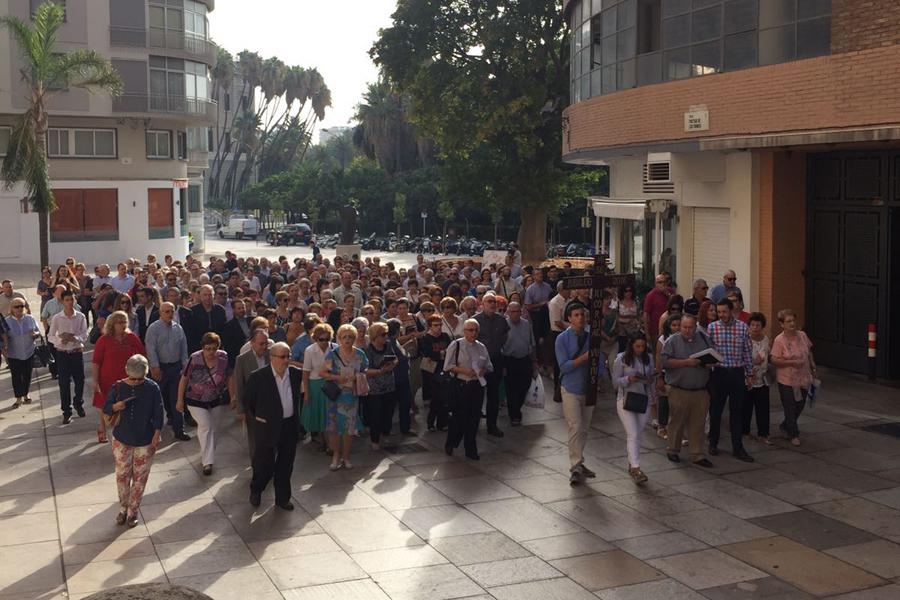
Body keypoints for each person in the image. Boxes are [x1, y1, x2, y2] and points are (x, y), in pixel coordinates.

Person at [103, 354, 163, 528]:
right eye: (132, 378)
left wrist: (157, 433)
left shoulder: (152, 388)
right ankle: (123, 507)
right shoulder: (118, 386)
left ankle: (133, 512)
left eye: (140, 379)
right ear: (127, 372)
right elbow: (106, 407)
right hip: (122, 439)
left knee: (140, 478)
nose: (136, 382)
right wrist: (116, 406)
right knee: (122, 476)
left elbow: (159, 412)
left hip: (145, 439)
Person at [244, 342, 302, 510]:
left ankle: (282, 498)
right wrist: (260, 418)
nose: (286, 360)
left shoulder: (295, 374)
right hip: (267, 426)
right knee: (264, 464)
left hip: (289, 425)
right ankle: (256, 489)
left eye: (288, 356)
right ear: (272, 358)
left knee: (286, 464)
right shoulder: (258, 377)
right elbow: (249, 401)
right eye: (282, 357)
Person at [177, 332, 234, 475]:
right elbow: (184, 379)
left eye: (214, 348)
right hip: (195, 399)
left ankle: (207, 454)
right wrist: (179, 400)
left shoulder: (223, 357)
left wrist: (233, 396)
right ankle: (207, 462)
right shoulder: (195, 359)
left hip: (214, 399)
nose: (211, 352)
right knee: (205, 426)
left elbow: (229, 377)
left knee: (214, 429)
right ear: (203, 347)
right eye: (208, 348)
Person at [661, 314, 713, 467]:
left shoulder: (703, 339)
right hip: (679, 389)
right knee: (677, 421)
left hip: (700, 389)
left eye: (691, 327)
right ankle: (673, 450)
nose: (688, 330)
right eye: (685, 327)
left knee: (698, 423)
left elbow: (712, 355)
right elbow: (665, 361)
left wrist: (708, 363)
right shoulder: (672, 341)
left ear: (695, 327)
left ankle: (697, 454)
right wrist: (686, 362)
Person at [555, 303, 599, 486]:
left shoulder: (592, 338)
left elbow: (600, 361)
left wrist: (598, 377)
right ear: (569, 318)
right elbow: (564, 366)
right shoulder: (562, 339)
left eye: (582, 314)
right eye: (576, 315)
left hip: (588, 388)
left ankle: (579, 460)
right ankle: (575, 466)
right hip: (570, 388)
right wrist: (583, 358)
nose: (580, 318)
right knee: (575, 425)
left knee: (585, 428)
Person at [707, 299, 754, 462]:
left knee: (737, 411)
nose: (721, 315)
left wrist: (749, 374)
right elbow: (709, 351)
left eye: (724, 312)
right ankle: (713, 442)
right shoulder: (712, 327)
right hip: (719, 373)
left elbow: (747, 352)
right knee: (716, 410)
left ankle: (737, 447)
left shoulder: (742, 327)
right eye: (718, 312)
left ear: (731, 310)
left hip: (736, 372)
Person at [320, 324, 368, 470]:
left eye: (350, 337)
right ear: (339, 338)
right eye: (344, 336)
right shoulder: (333, 354)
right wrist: (337, 377)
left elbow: (365, 370)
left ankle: (346, 457)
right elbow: (322, 373)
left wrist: (358, 376)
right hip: (335, 396)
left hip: (351, 396)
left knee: (349, 429)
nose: (348, 339)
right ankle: (335, 456)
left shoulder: (360, 354)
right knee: (334, 429)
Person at [443, 319, 492, 461]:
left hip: (477, 385)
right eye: (470, 330)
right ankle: (451, 441)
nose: (473, 333)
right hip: (461, 384)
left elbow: (489, 365)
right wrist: (464, 370)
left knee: (474, 417)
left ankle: (470, 448)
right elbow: (447, 366)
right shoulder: (456, 344)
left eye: (476, 330)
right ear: (464, 331)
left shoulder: (481, 346)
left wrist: (483, 370)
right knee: (459, 416)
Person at [93, 311, 146, 442]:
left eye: (125, 322)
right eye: (120, 322)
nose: (123, 325)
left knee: (127, 404)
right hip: (107, 378)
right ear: (112, 324)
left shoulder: (132, 338)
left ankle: (126, 431)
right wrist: (95, 380)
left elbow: (142, 356)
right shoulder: (104, 340)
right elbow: (96, 361)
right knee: (105, 404)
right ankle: (102, 428)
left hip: (127, 377)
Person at [144, 302, 190, 442]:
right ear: (161, 313)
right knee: (157, 400)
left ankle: (179, 429)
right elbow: (150, 348)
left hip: (176, 368)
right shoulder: (153, 328)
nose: (170, 314)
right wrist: (155, 366)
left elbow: (183, 348)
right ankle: (153, 430)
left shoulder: (178, 328)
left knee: (177, 398)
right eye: (166, 312)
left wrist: (184, 366)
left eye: (172, 311)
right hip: (161, 368)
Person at [613, 334, 655, 485]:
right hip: (626, 399)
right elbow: (615, 381)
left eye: (643, 346)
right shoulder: (621, 359)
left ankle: (632, 462)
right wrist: (627, 379)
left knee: (638, 433)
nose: (640, 349)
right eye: (637, 346)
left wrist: (653, 394)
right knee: (633, 433)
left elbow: (652, 380)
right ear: (631, 345)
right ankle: (636, 467)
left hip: (644, 399)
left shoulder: (648, 358)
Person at [770, 309, 815, 447]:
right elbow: (774, 360)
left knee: (799, 405)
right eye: (788, 321)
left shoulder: (802, 335)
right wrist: (790, 362)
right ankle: (793, 434)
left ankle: (786, 425)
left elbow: (809, 352)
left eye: (793, 320)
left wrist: (813, 365)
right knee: (789, 406)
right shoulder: (779, 340)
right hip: (787, 379)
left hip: (803, 377)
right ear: (782, 324)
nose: (792, 324)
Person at [49, 290, 88, 424]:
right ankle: (66, 411)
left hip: (76, 352)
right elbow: (50, 336)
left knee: (80, 381)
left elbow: (84, 334)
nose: (70, 303)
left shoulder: (80, 316)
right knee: (64, 383)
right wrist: (61, 340)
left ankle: (78, 402)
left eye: (72, 300)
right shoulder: (57, 318)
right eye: (67, 300)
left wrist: (74, 338)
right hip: (63, 354)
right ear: (62, 301)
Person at [474, 292, 509, 437]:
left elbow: (504, 337)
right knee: (477, 394)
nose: (492, 304)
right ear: (482, 304)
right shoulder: (475, 321)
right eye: (489, 301)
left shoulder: (501, 320)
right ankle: (474, 424)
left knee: (494, 394)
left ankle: (492, 425)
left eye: (494, 302)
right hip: (479, 362)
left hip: (495, 360)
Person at [234, 329, 271, 459]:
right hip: (253, 406)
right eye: (261, 344)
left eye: (266, 343)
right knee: (254, 438)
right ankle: (257, 466)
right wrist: (241, 410)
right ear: (252, 343)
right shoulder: (242, 360)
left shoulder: (271, 355)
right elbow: (239, 385)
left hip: (271, 403)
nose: (264, 347)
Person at [363, 322, 398, 450]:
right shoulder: (367, 350)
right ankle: (375, 440)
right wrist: (380, 371)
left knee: (388, 413)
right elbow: (365, 370)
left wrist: (392, 365)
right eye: (383, 335)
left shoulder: (388, 346)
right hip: (375, 389)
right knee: (376, 415)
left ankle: (386, 433)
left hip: (389, 385)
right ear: (374, 336)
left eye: (386, 334)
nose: (386, 337)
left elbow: (395, 359)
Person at [302, 323, 335, 451]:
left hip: (330, 384)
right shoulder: (310, 350)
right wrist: (306, 391)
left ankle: (330, 444)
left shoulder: (334, 348)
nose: (325, 342)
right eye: (321, 339)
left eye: (327, 339)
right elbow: (305, 372)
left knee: (329, 414)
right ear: (315, 338)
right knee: (318, 414)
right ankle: (324, 442)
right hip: (315, 384)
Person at [502, 301, 536, 427]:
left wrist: (534, 361)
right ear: (508, 312)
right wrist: (503, 366)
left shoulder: (526, 324)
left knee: (525, 385)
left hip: (524, 359)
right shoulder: (504, 325)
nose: (515, 314)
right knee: (511, 389)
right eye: (512, 312)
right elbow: (501, 345)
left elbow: (531, 342)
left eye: (517, 311)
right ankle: (515, 415)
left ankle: (517, 408)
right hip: (509, 360)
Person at [3, 298, 40, 407]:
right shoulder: (6, 321)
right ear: (12, 308)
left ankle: (26, 394)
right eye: (16, 307)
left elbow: (37, 330)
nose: (19, 309)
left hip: (29, 351)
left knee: (27, 375)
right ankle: (18, 398)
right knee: (16, 376)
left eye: (22, 306)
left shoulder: (30, 318)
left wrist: (35, 334)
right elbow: (3, 336)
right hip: (13, 354)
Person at [419, 314, 451, 432]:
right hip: (431, 371)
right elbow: (427, 353)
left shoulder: (445, 336)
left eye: (440, 325)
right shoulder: (425, 338)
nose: (439, 327)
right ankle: (431, 422)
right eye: (435, 325)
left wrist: (439, 354)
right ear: (430, 326)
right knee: (436, 398)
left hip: (444, 369)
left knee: (445, 398)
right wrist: (441, 354)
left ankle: (442, 423)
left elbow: (450, 350)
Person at [745, 312, 771, 445]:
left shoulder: (766, 339)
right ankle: (745, 431)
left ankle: (763, 433)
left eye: (758, 325)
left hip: (763, 378)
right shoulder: (746, 339)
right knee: (746, 406)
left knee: (763, 407)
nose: (755, 327)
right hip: (748, 378)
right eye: (753, 325)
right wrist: (753, 362)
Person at [188, 284, 227, 353]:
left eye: (210, 295)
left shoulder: (220, 310)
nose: (207, 297)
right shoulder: (193, 311)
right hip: (199, 348)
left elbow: (224, 330)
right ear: (200, 296)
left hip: (217, 347)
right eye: (205, 295)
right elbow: (191, 333)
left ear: (213, 296)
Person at [222, 298, 252, 368]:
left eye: (243, 307)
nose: (242, 310)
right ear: (233, 310)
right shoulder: (229, 326)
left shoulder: (252, 320)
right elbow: (229, 347)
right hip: (239, 357)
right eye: (239, 308)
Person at [643, 274, 671, 341]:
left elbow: (676, 304)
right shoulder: (651, 295)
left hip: (669, 328)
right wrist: (647, 333)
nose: (662, 284)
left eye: (664, 282)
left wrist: (668, 295)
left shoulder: (670, 292)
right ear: (655, 284)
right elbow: (645, 314)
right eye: (660, 282)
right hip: (655, 331)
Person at [615, 285, 640, 352]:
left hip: (634, 329)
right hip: (622, 330)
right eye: (626, 291)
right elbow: (615, 316)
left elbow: (639, 315)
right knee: (622, 348)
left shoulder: (636, 302)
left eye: (630, 291)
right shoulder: (618, 303)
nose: (628, 293)